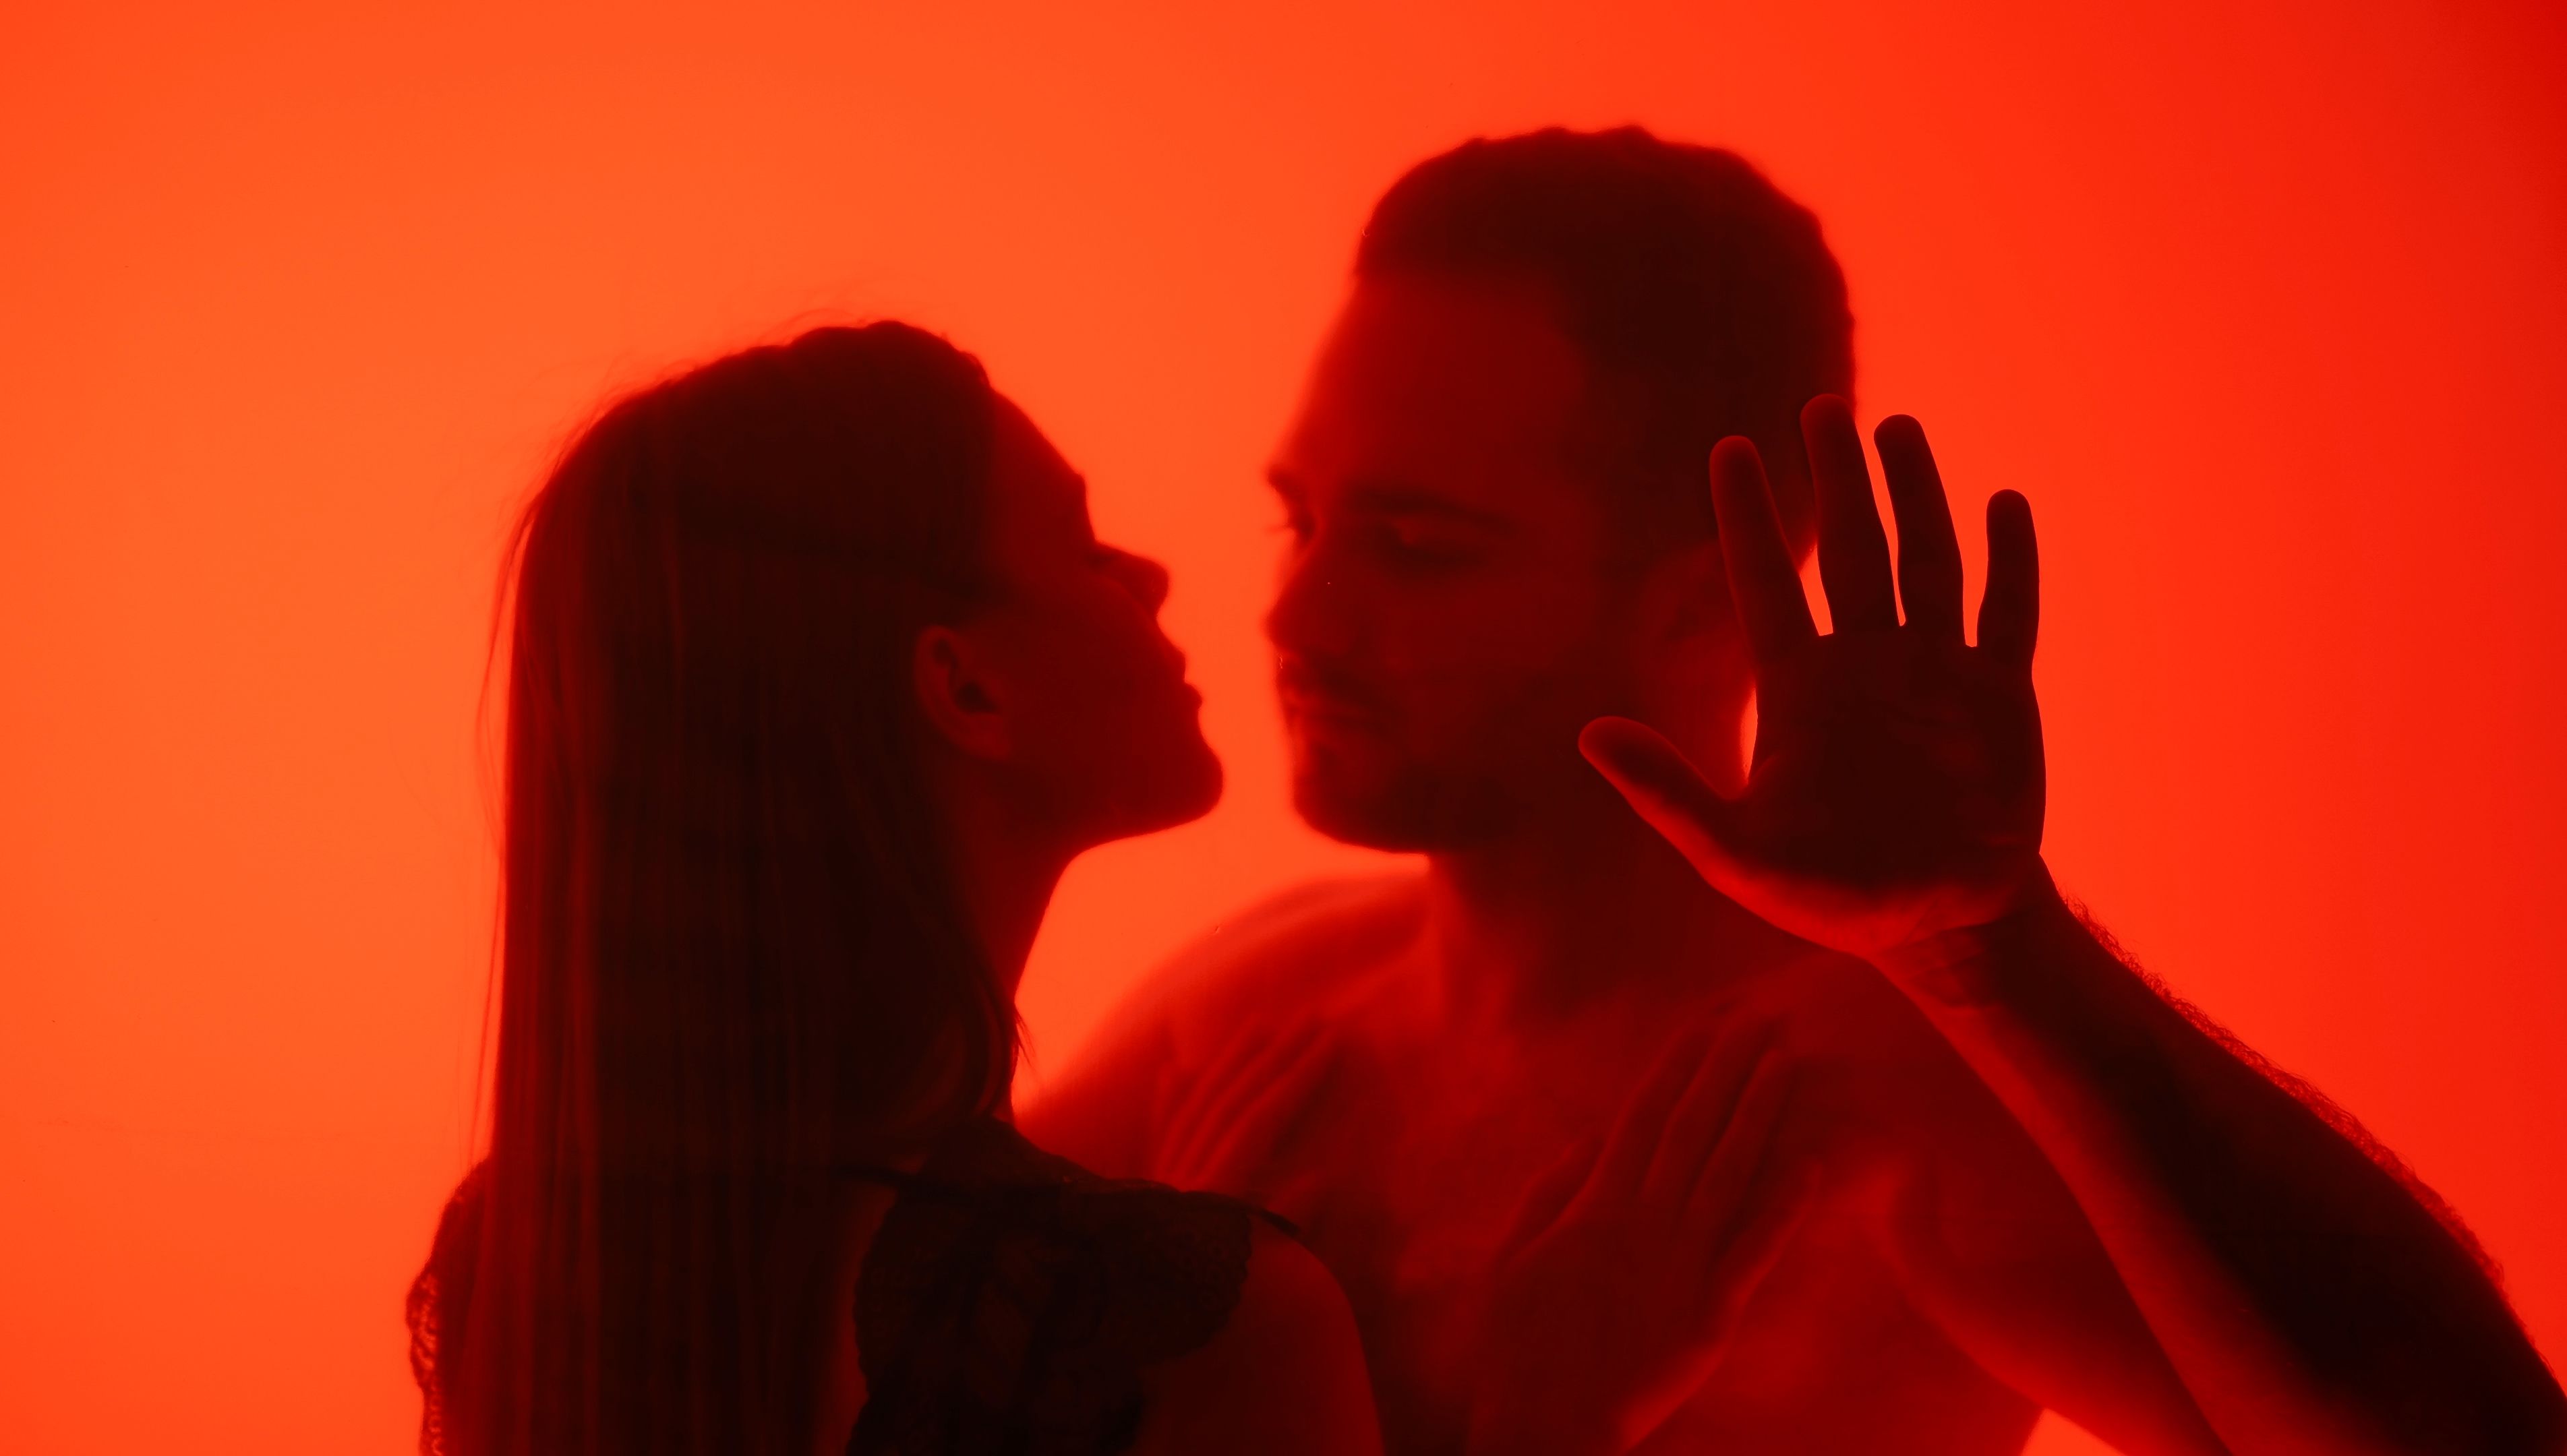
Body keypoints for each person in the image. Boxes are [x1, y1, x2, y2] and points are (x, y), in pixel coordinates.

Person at [1025, 129, 2567, 1454]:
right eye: (1303, 523)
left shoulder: (1862, 1114)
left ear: (1704, 605)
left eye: (1421, 547)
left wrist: (1996, 952)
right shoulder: (1249, 1020)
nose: (1300, 621)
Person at [405, 323, 1399, 1456]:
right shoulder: (1206, 1318)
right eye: (1085, 548)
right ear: (966, 690)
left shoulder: (525, 1261)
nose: (1151, 575)